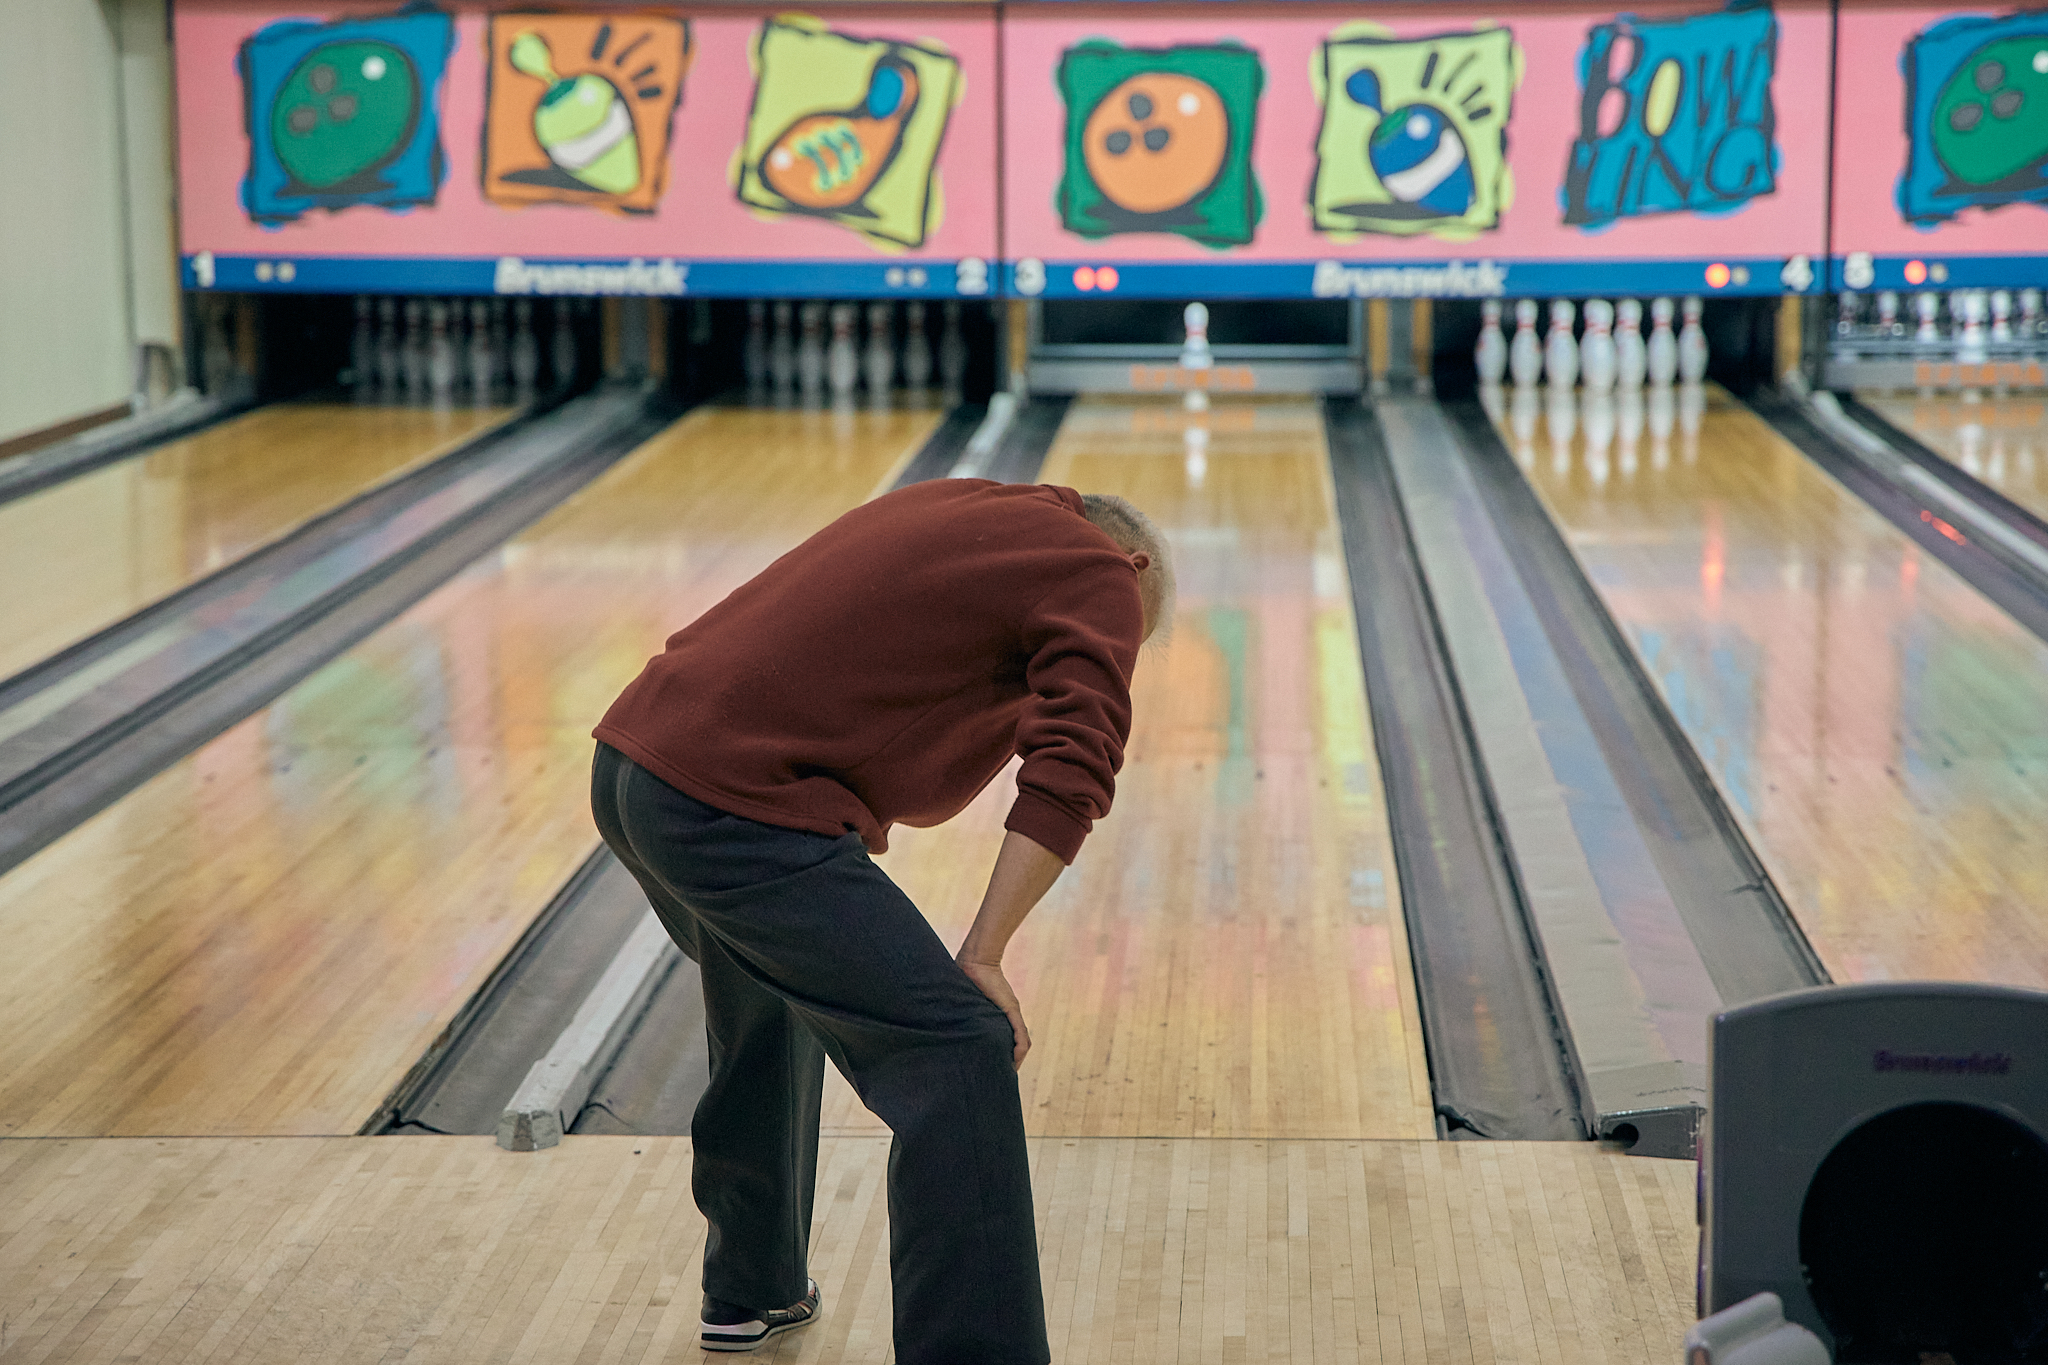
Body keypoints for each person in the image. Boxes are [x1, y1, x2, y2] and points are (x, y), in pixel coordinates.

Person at [589, 478, 1173, 1362]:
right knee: (958, 1048)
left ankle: (751, 1287)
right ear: (1129, 565)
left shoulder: (968, 507)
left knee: (769, 990)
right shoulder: (1097, 568)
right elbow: (1074, 763)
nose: (1118, 644)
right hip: (737, 809)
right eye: (1133, 628)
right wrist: (983, 951)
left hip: (636, 767)